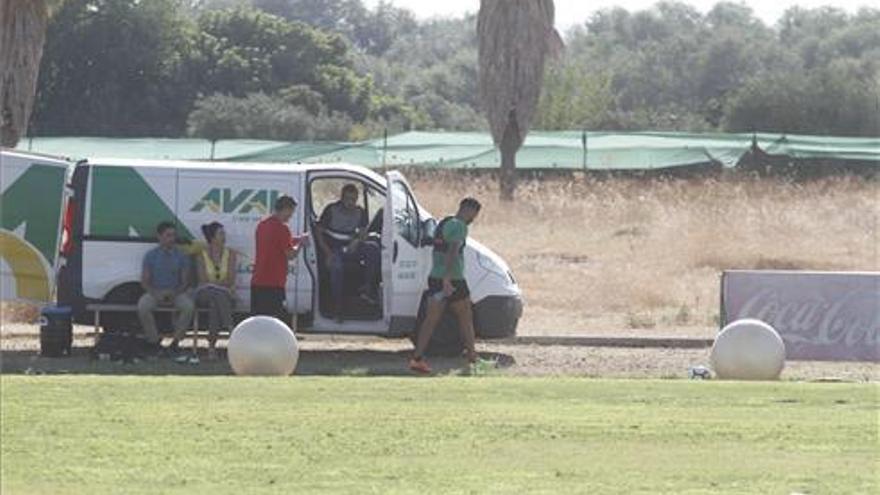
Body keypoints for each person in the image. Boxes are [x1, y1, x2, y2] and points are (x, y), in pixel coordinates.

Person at [408, 197, 482, 374]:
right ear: (469, 210)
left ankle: (417, 359)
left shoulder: (444, 223)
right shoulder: (459, 226)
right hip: (453, 279)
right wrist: (448, 280)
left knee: (430, 321)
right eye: (475, 214)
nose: (474, 218)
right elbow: (452, 252)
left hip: (435, 277)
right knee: (466, 317)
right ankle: (473, 358)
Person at [315, 184, 381, 321]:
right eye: (348, 199)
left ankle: (367, 289)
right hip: (333, 250)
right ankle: (337, 307)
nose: (351, 202)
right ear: (342, 198)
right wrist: (328, 254)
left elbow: (363, 233)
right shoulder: (331, 210)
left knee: (373, 249)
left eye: (354, 199)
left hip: (352, 248)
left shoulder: (360, 212)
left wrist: (356, 242)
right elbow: (318, 232)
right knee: (336, 267)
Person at [137, 221, 195, 356]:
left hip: (176, 292)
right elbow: (145, 281)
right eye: (168, 235)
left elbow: (185, 281)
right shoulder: (150, 256)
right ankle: (154, 341)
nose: (172, 239)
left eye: (173, 235)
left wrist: (175, 293)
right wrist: (155, 293)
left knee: (188, 307)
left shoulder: (181, 256)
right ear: (159, 236)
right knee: (143, 306)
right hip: (155, 291)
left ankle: (175, 342)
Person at [251, 195, 306, 325]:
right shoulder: (282, 228)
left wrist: (297, 239)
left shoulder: (262, 225)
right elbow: (290, 254)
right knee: (275, 324)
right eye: (290, 213)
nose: (290, 217)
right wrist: (301, 244)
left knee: (258, 323)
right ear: (285, 209)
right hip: (273, 283)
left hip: (258, 281)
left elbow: (278, 242)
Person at [195, 222, 237, 361]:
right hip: (205, 293)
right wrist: (218, 285)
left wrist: (214, 284)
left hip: (222, 295)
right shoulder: (201, 255)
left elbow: (230, 279)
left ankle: (211, 347)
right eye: (221, 233)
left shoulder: (230, 254)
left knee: (215, 302)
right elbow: (202, 279)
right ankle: (231, 330)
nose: (224, 236)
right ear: (212, 238)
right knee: (217, 295)